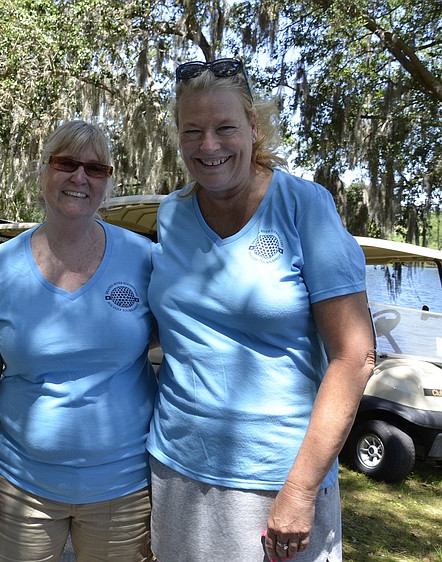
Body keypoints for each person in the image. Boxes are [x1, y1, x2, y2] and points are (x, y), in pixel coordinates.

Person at [146, 57, 376, 562]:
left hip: (277, 478)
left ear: (253, 126)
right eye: (192, 131)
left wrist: (300, 490)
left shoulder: (305, 207)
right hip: (177, 466)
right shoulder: (171, 213)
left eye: (225, 128)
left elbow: (354, 356)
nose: (208, 146)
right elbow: (170, 326)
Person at [0, 120, 156, 561]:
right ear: (44, 170)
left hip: (123, 489)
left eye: (95, 168)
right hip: (21, 487)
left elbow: (182, 344)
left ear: (107, 180)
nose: (80, 177)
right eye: (67, 163)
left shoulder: (144, 259)